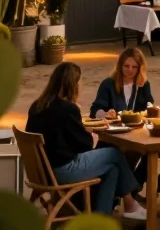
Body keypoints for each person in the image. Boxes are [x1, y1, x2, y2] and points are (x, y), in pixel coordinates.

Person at [25, 62, 146, 219]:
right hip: (64, 170)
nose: (81, 85)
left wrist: (79, 129)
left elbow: (55, 133)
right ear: (72, 84)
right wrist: (89, 133)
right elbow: (86, 145)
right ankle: (130, 204)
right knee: (114, 154)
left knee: (113, 169)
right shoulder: (68, 108)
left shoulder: (37, 105)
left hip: (41, 171)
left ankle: (102, 218)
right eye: (79, 81)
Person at [90, 47, 155, 118]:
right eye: (126, 66)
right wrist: (105, 114)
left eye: (134, 67)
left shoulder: (144, 84)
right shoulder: (108, 84)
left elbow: (148, 105)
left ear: (140, 68)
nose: (130, 70)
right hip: (113, 126)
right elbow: (95, 109)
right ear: (120, 66)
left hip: (138, 126)